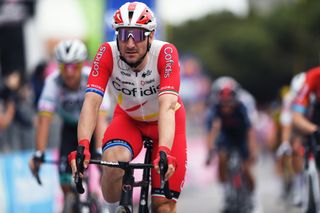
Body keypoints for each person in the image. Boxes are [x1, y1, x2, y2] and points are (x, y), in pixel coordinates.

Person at [68, 2, 187, 212]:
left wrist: (165, 150)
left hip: (166, 122)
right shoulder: (106, 52)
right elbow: (91, 102)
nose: (130, 44)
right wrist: (83, 145)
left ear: (151, 36)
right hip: (129, 119)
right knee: (112, 167)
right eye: (124, 35)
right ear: (116, 36)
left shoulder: (166, 53)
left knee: (163, 206)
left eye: (138, 35)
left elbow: (167, 106)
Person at [29, 39, 110, 211]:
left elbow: (101, 119)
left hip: (94, 129)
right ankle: (70, 202)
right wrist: (39, 153)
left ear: (82, 66)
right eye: (64, 66)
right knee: (66, 181)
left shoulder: (92, 78)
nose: (69, 72)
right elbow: (44, 121)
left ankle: (98, 201)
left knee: (100, 164)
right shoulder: (52, 82)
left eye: (74, 66)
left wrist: (100, 150)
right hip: (69, 129)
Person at [205, 78, 256, 210]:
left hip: (241, 137)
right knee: (221, 158)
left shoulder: (241, 108)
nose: (226, 107)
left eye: (229, 103)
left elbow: (249, 131)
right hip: (226, 136)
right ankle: (226, 190)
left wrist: (252, 151)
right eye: (224, 104)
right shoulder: (215, 109)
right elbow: (211, 132)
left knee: (246, 168)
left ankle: (251, 195)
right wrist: (210, 152)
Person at [276, 72, 306, 205]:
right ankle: (297, 186)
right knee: (294, 148)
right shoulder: (289, 98)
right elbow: (286, 122)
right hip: (294, 125)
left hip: (309, 121)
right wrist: (285, 142)